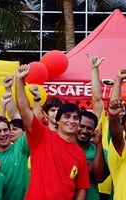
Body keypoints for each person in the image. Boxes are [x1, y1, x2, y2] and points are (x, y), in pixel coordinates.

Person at [15, 64, 90, 199]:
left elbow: (81, 188)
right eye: (67, 116)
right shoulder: (42, 136)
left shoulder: (80, 154)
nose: (71, 121)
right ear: (58, 120)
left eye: (76, 118)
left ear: (79, 123)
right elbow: (25, 111)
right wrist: (19, 81)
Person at [0, 115, 30, 200]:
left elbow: (32, 123)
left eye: (5, 130)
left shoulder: (21, 146)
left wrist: (36, 101)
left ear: (10, 131)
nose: (3, 134)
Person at [76, 111, 109, 200]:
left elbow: (99, 178)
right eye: (81, 126)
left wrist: (99, 145)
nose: (84, 131)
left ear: (94, 131)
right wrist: (90, 167)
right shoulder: (64, 147)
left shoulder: (102, 151)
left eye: (89, 128)